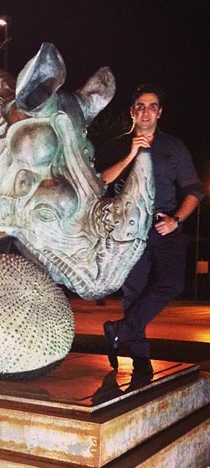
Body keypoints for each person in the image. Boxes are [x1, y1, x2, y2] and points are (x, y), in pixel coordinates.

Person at [95, 83, 204, 375]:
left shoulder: (174, 148)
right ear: (132, 112)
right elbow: (101, 182)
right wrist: (131, 154)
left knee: (173, 283)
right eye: (140, 106)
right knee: (134, 291)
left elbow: (194, 190)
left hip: (164, 224)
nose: (146, 112)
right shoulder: (116, 146)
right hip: (129, 230)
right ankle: (140, 358)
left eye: (152, 106)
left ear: (160, 113)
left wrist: (176, 219)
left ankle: (119, 330)